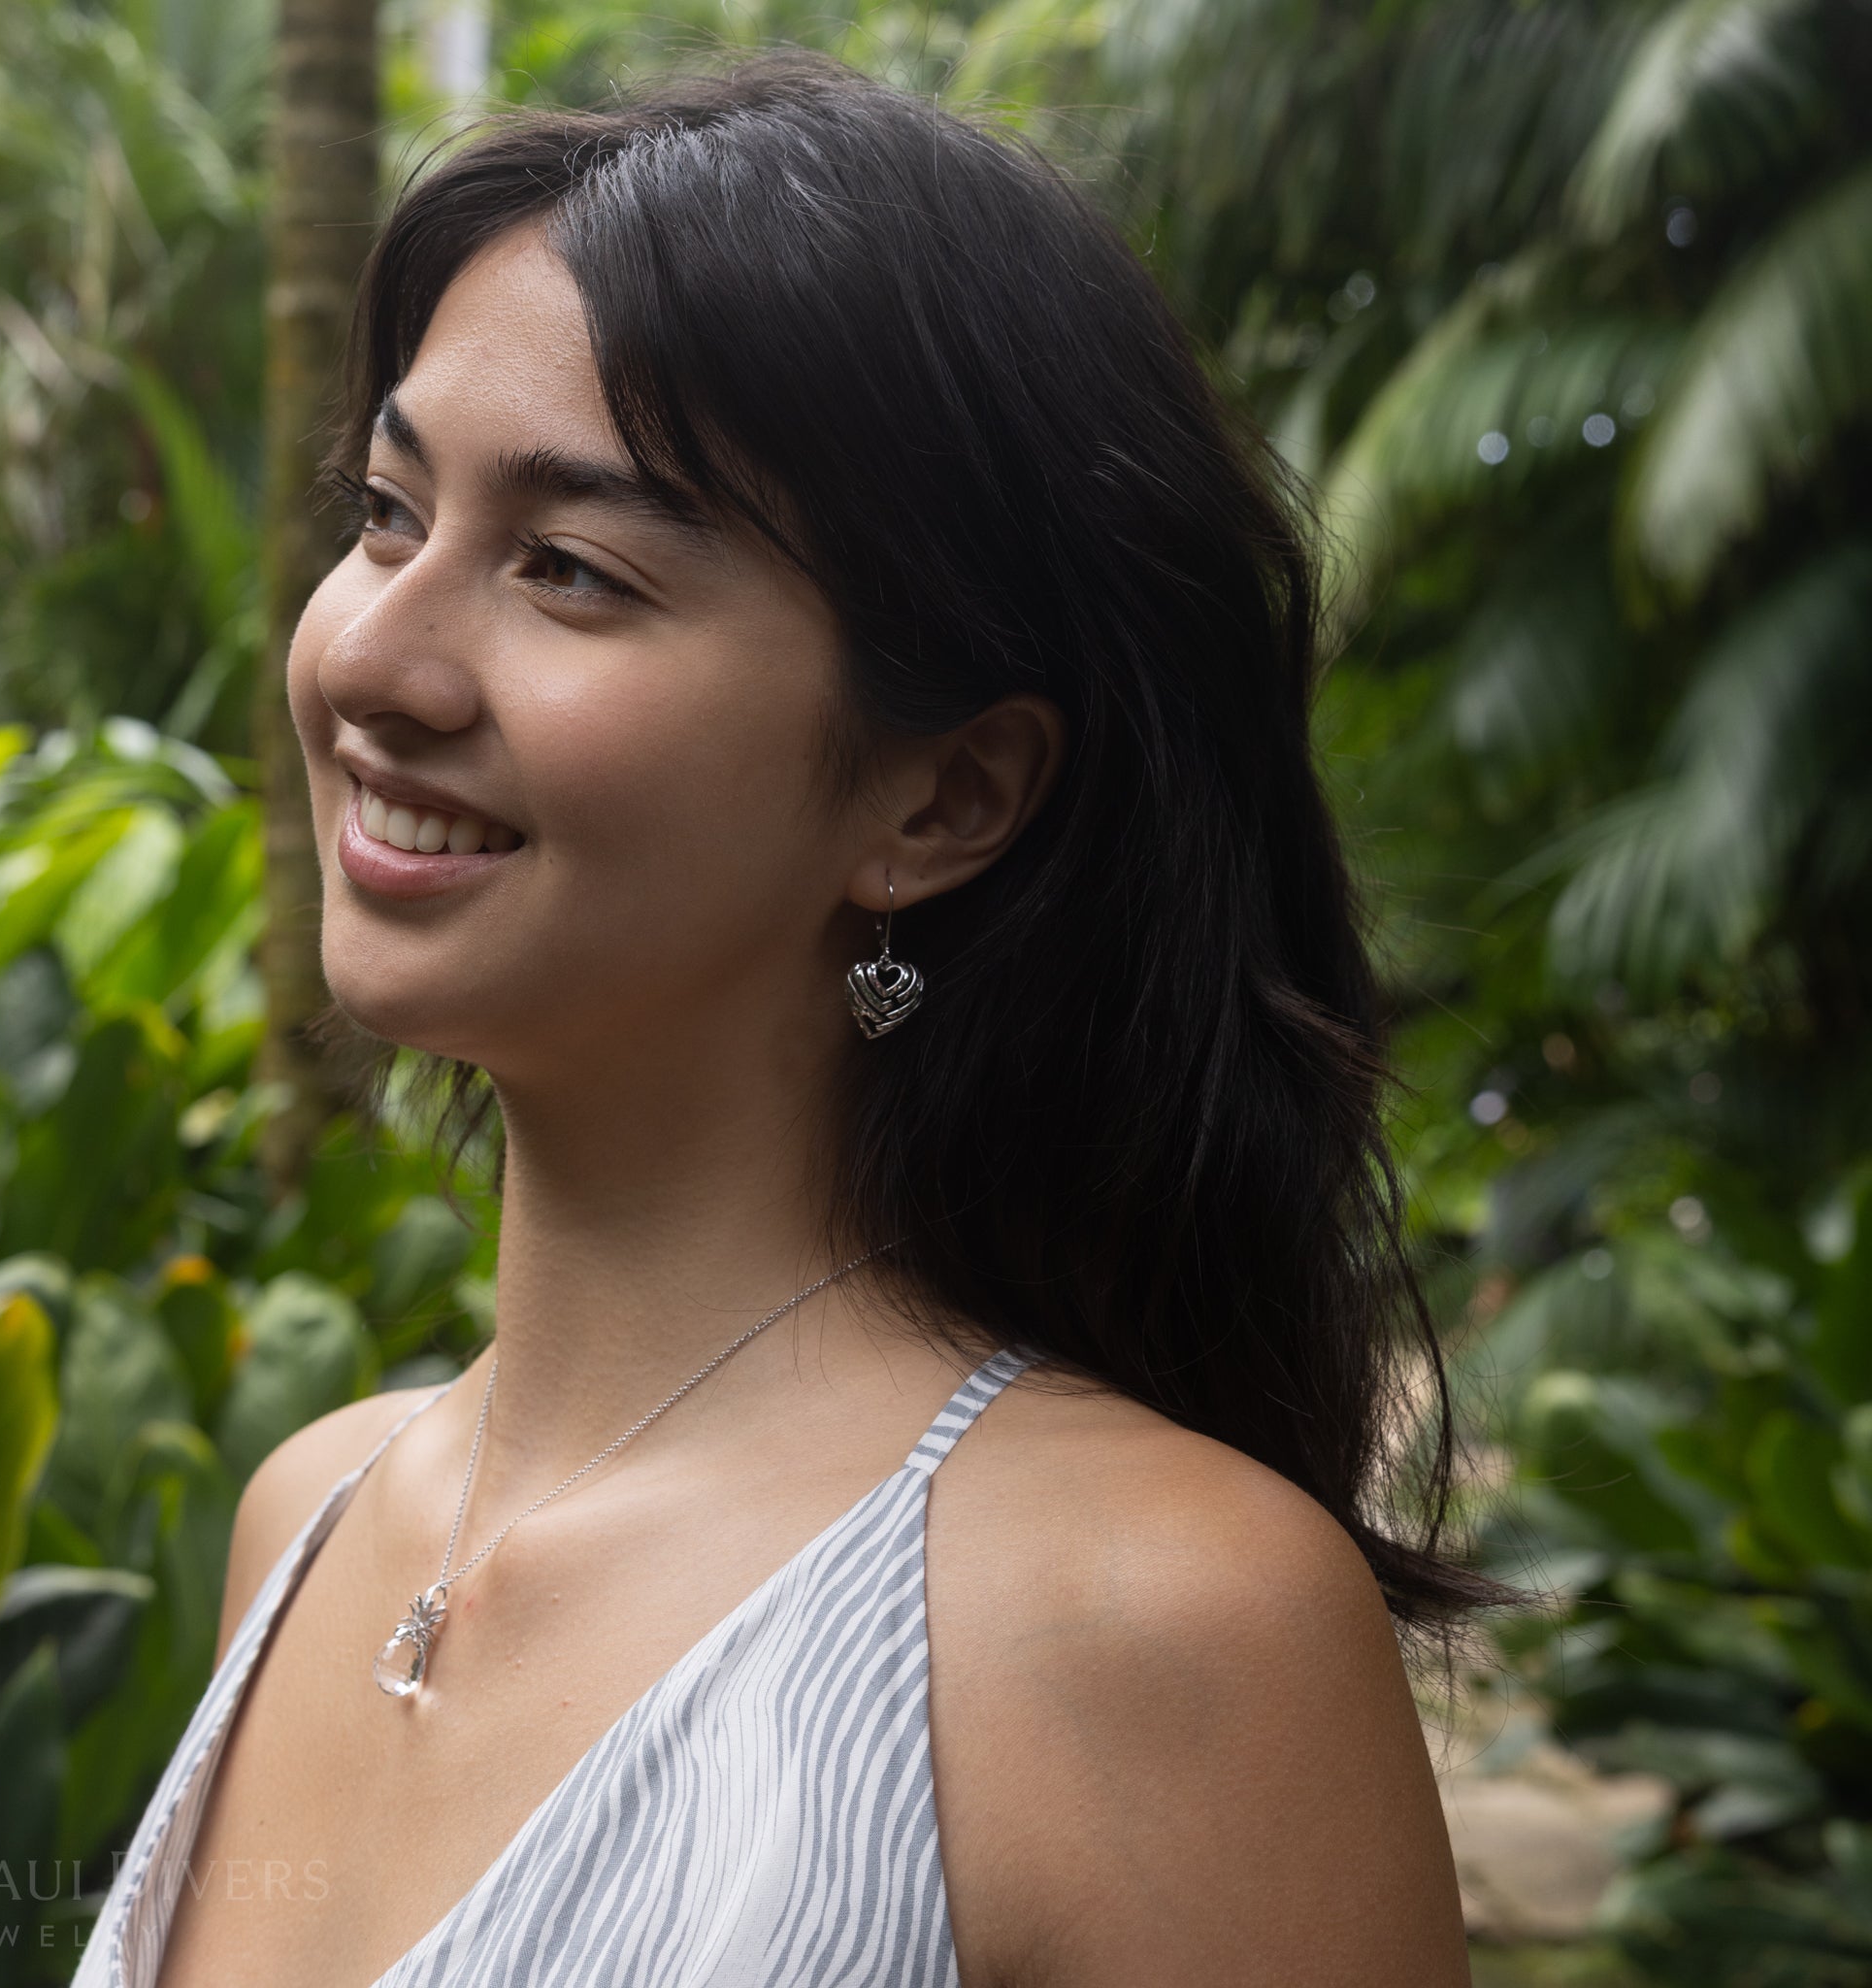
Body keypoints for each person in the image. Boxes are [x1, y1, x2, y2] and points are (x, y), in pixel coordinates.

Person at [86, 50, 1481, 1988]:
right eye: (388, 510)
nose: (372, 658)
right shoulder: (310, 1516)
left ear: (943, 799)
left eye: (568, 568)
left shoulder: (1151, 1622)